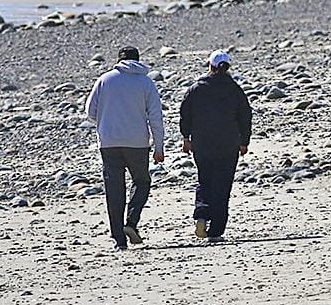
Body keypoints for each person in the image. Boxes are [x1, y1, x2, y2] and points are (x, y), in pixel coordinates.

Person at [84, 46, 166, 251]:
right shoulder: (146, 82)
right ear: (138, 61)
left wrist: (106, 122)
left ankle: (119, 240)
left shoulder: (105, 80)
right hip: (137, 142)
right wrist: (159, 146)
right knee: (141, 181)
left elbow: (90, 112)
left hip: (109, 142)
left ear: (119, 60)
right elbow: (155, 117)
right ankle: (131, 222)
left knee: (114, 190)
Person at [179, 50, 253, 242]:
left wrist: (186, 138)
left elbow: (185, 114)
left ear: (209, 66)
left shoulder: (197, 88)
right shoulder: (234, 89)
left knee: (205, 179)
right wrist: (244, 141)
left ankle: (202, 215)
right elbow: (245, 117)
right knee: (223, 185)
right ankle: (216, 231)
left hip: (202, 143)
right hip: (228, 143)